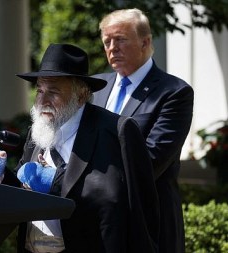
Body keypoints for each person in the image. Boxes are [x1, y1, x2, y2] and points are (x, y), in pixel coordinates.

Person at [0, 43, 159, 253]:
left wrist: (54, 182)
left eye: (53, 92)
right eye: (39, 90)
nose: (42, 100)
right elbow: (26, 189)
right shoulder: (38, 129)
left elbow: (118, 200)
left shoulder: (115, 130)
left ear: (81, 95)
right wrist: (0, 176)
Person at [91, 8, 194, 253]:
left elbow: (152, 159)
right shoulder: (95, 88)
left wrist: (89, 174)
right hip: (98, 220)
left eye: (121, 39)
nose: (112, 48)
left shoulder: (174, 92)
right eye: (107, 41)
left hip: (149, 221)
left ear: (145, 42)